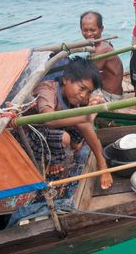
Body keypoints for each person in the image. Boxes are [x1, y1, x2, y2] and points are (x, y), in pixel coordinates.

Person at [24, 57, 113, 189]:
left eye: (88, 92)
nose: (83, 95)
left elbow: (86, 120)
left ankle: (101, 163)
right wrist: (85, 117)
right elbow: (47, 120)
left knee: (83, 123)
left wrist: (93, 103)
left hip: (54, 128)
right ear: (66, 79)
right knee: (65, 137)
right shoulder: (46, 89)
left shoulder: (74, 95)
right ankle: (51, 161)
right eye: (82, 88)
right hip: (32, 134)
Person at [80, 10, 124, 102]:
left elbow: (88, 77)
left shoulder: (101, 49)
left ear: (101, 29)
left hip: (111, 97)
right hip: (106, 90)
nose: (88, 34)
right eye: (85, 30)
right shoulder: (99, 44)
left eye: (92, 30)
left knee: (74, 94)